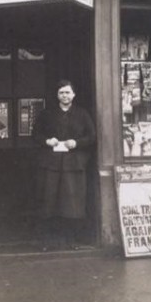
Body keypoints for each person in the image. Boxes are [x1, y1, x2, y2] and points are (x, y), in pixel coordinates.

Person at [32, 79, 96, 250]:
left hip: (73, 165)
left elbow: (92, 137)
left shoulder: (82, 114)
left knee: (71, 204)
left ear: (73, 95)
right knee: (50, 202)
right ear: (57, 95)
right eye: (61, 92)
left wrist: (76, 143)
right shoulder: (47, 114)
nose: (64, 95)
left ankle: (71, 241)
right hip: (51, 165)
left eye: (67, 92)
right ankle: (49, 242)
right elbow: (36, 134)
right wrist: (47, 141)